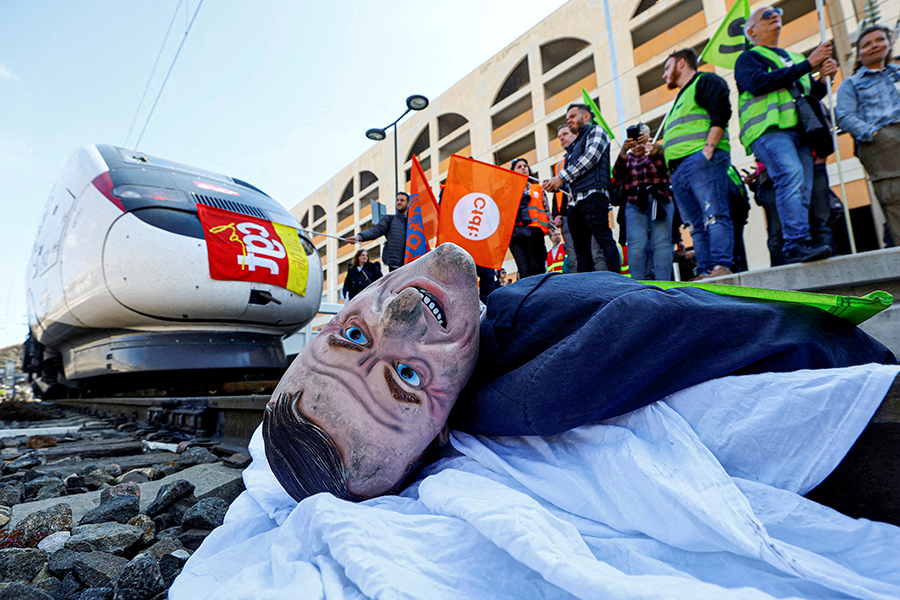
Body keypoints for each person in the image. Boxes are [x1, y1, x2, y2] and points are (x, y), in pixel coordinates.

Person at [262, 243, 895, 502]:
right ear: (437, 432)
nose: (398, 317)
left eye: (350, 334)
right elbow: (677, 315)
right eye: (405, 376)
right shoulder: (540, 390)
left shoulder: (494, 338)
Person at [735, 5, 838, 264]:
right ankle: (796, 243)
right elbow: (758, 83)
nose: (775, 17)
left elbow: (805, 97)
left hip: (800, 134)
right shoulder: (749, 58)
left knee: (802, 187)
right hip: (768, 131)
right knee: (790, 176)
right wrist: (809, 63)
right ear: (751, 31)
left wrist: (824, 80)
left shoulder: (791, 58)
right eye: (766, 15)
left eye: (777, 13)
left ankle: (799, 240)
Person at [661, 48, 734, 280]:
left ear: (681, 63)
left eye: (666, 67)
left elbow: (721, 112)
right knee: (696, 225)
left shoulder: (705, 81)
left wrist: (708, 151)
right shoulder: (679, 99)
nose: (664, 75)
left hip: (700, 161)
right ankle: (705, 270)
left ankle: (721, 265)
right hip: (681, 169)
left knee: (714, 214)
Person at [836, 24, 900, 246]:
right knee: (895, 200)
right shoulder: (851, 84)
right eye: (867, 44)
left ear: (889, 44)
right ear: (859, 53)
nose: (874, 46)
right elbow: (843, 116)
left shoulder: (897, 74)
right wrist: (874, 134)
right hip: (883, 143)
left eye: (879, 40)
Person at [543, 104, 621, 274]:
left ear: (586, 116)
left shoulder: (597, 132)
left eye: (572, 116)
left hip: (594, 195)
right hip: (574, 203)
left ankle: (616, 280)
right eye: (567, 118)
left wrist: (560, 178)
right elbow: (570, 176)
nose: (569, 120)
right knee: (581, 251)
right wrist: (554, 183)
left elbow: (590, 158)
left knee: (603, 240)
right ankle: (585, 287)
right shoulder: (574, 147)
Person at [613, 124, 674, 281]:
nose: (638, 146)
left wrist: (655, 149)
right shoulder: (627, 159)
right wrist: (623, 151)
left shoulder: (657, 152)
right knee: (636, 246)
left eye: (641, 141)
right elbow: (616, 174)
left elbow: (665, 167)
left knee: (662, 244)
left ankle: (664, 283)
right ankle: (639, 283)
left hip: (660, 199)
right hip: (634, 203)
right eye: (634, 142)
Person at [552, 124, 602, 273]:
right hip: (568, 215)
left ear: (575, 135)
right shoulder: (560, 164)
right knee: (575, 257)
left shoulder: (586, 153)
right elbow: (558, 192)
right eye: (559, 136)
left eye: (565, 134)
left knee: (596, 252)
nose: (562, 138)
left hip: (587, 208)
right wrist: (556, 213)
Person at [346, 192, 409, 271]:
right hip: (395, 264)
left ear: (408, 203)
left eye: (402, 200)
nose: (399, 202)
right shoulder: (389, 219)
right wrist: (359, 237)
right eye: (397, 200)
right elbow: (375, 231)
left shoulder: (414, 222)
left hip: (412, 262)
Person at [508, 158, 549, 279]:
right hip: (516, 235)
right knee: (524, 269)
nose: (523, 168)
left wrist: (552, 230)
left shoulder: (537, 189)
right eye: (519, 167)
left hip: (535, 232)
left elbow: (546, 209)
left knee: (538, 268)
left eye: (525, 166)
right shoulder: (508, 191)